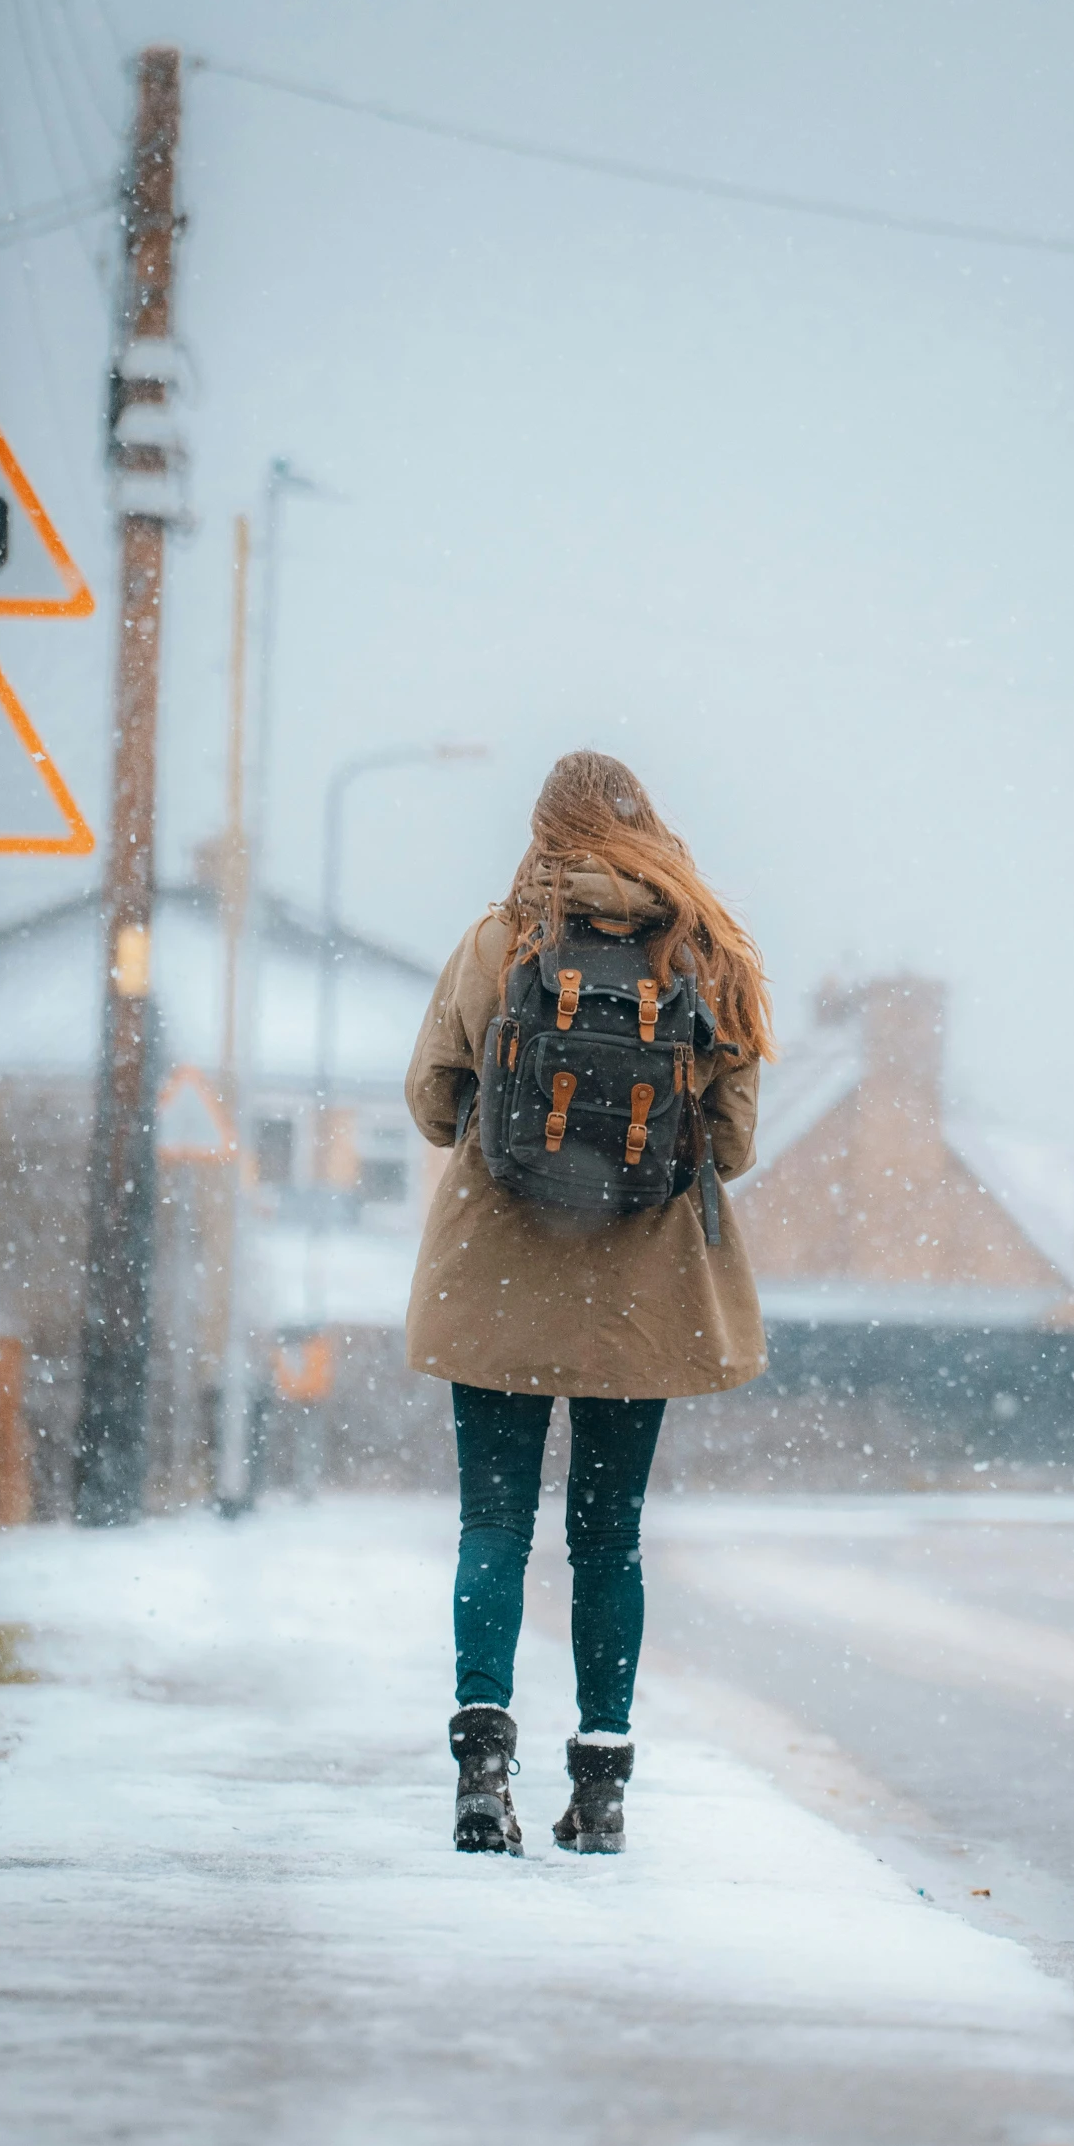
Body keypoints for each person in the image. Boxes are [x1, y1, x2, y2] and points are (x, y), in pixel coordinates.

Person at [404, 749, 776, 1856]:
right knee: (608, 1539)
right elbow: (737, 1142)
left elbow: (432, 1105)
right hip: (643, 1287)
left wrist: (521, 1121)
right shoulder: (708, 952)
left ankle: (481, 1768)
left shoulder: (498, 939)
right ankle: (601, 1782)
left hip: (499, 1274)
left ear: (544, 828)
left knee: (494, 1525)